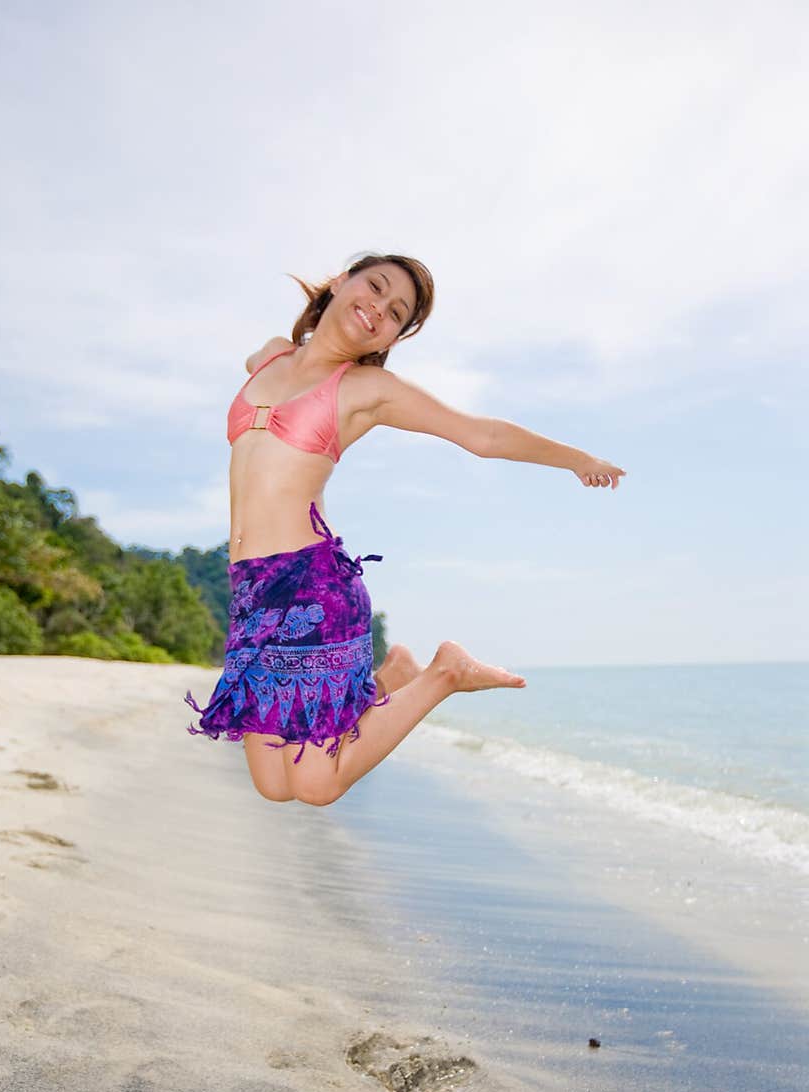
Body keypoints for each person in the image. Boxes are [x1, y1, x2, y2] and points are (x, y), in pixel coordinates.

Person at [185, 251, 625, 806]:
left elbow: (479, 435)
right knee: (273, 786)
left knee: (315, 785)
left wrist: (575, 458)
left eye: (396, 313)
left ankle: (444, 672)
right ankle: (392, 677)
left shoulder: (365, 389)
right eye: (375, 287)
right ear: (342, 282)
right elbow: (259, 356)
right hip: (250, 593)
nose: (378, 309)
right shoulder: (271, 359)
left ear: (392, 335)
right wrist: (289, 345)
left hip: (312, 587)